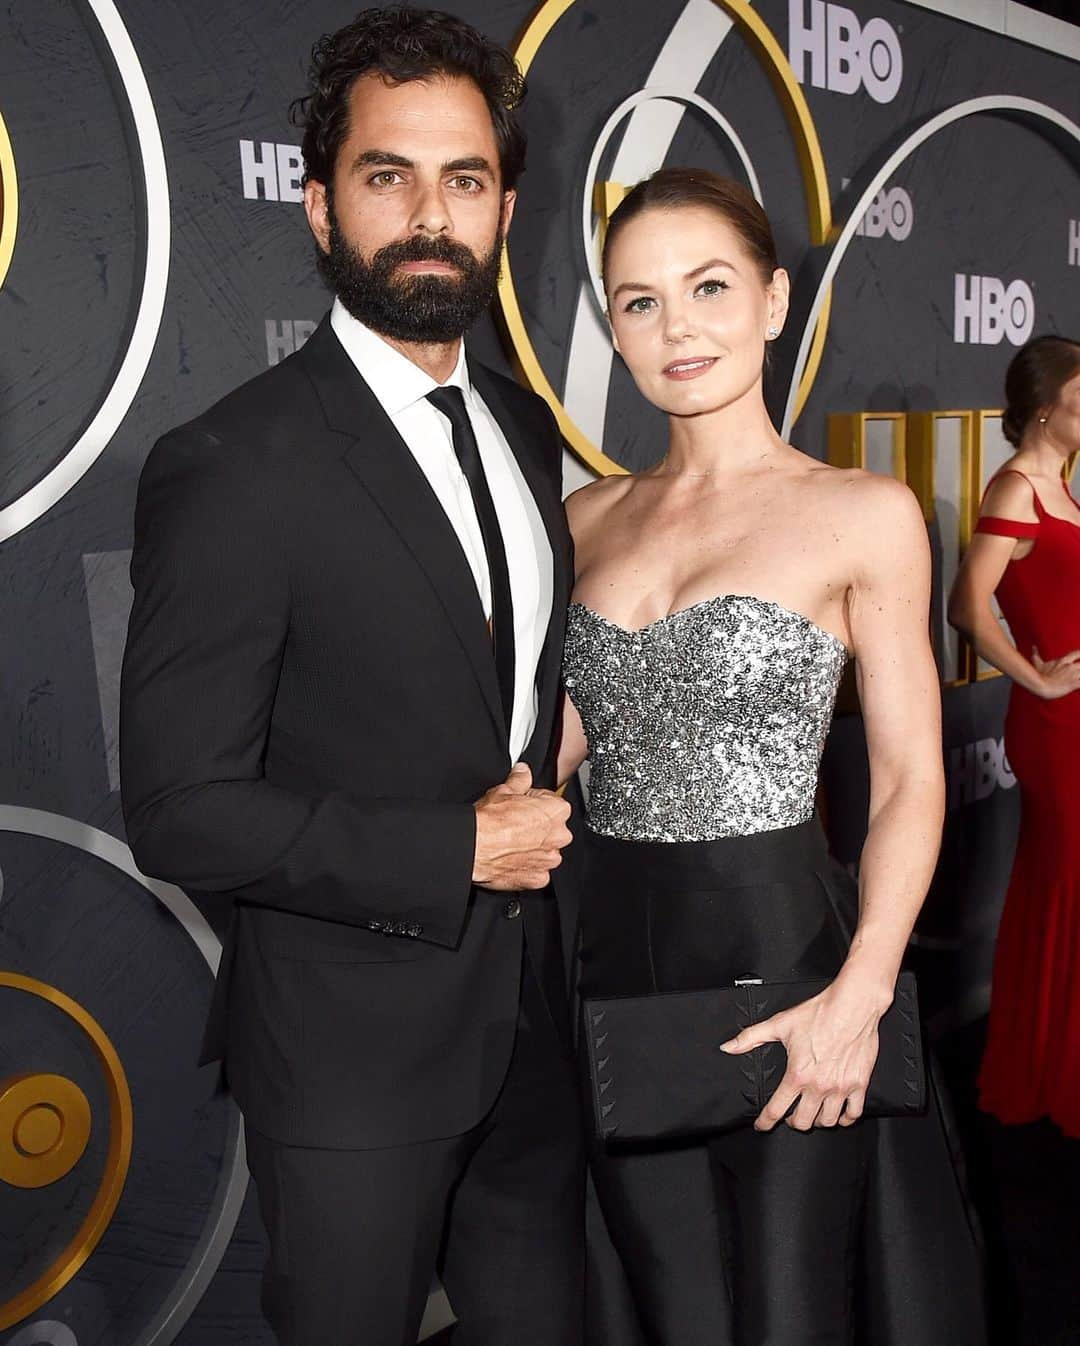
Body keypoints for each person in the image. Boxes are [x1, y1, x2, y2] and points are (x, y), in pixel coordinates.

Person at [119, 9, 584, 1344]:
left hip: (533, 1034)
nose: (431, 213)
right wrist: (458, 849)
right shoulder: (235, 465)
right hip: (348, 1067)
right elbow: (182, 807)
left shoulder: (523, 429)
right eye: (390, 176)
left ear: (506, 204)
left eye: (467, 178)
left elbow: (484, 684)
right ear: (320, 208)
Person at [556, 169, 986, 1346]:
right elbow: (553, 756)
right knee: (668, 1302)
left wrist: (865, 987)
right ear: (613, 328)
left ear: (774, 298)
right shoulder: (584, 517)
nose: (677, 326)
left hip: (784, 949)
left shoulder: (862, 511)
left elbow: (907, 776)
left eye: (707, 287)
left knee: (791, 1302)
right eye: (638, 302)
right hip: (612, 952)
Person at [948, 335, 1080, 1139]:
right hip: (1056, 722)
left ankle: (1049, 1055)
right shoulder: (1016, 489)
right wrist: (1034, 678)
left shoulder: (1060, 487)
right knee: (1064, 888)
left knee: (1059, 890)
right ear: (1044, 409)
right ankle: (1050, 1070)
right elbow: (968, 605)